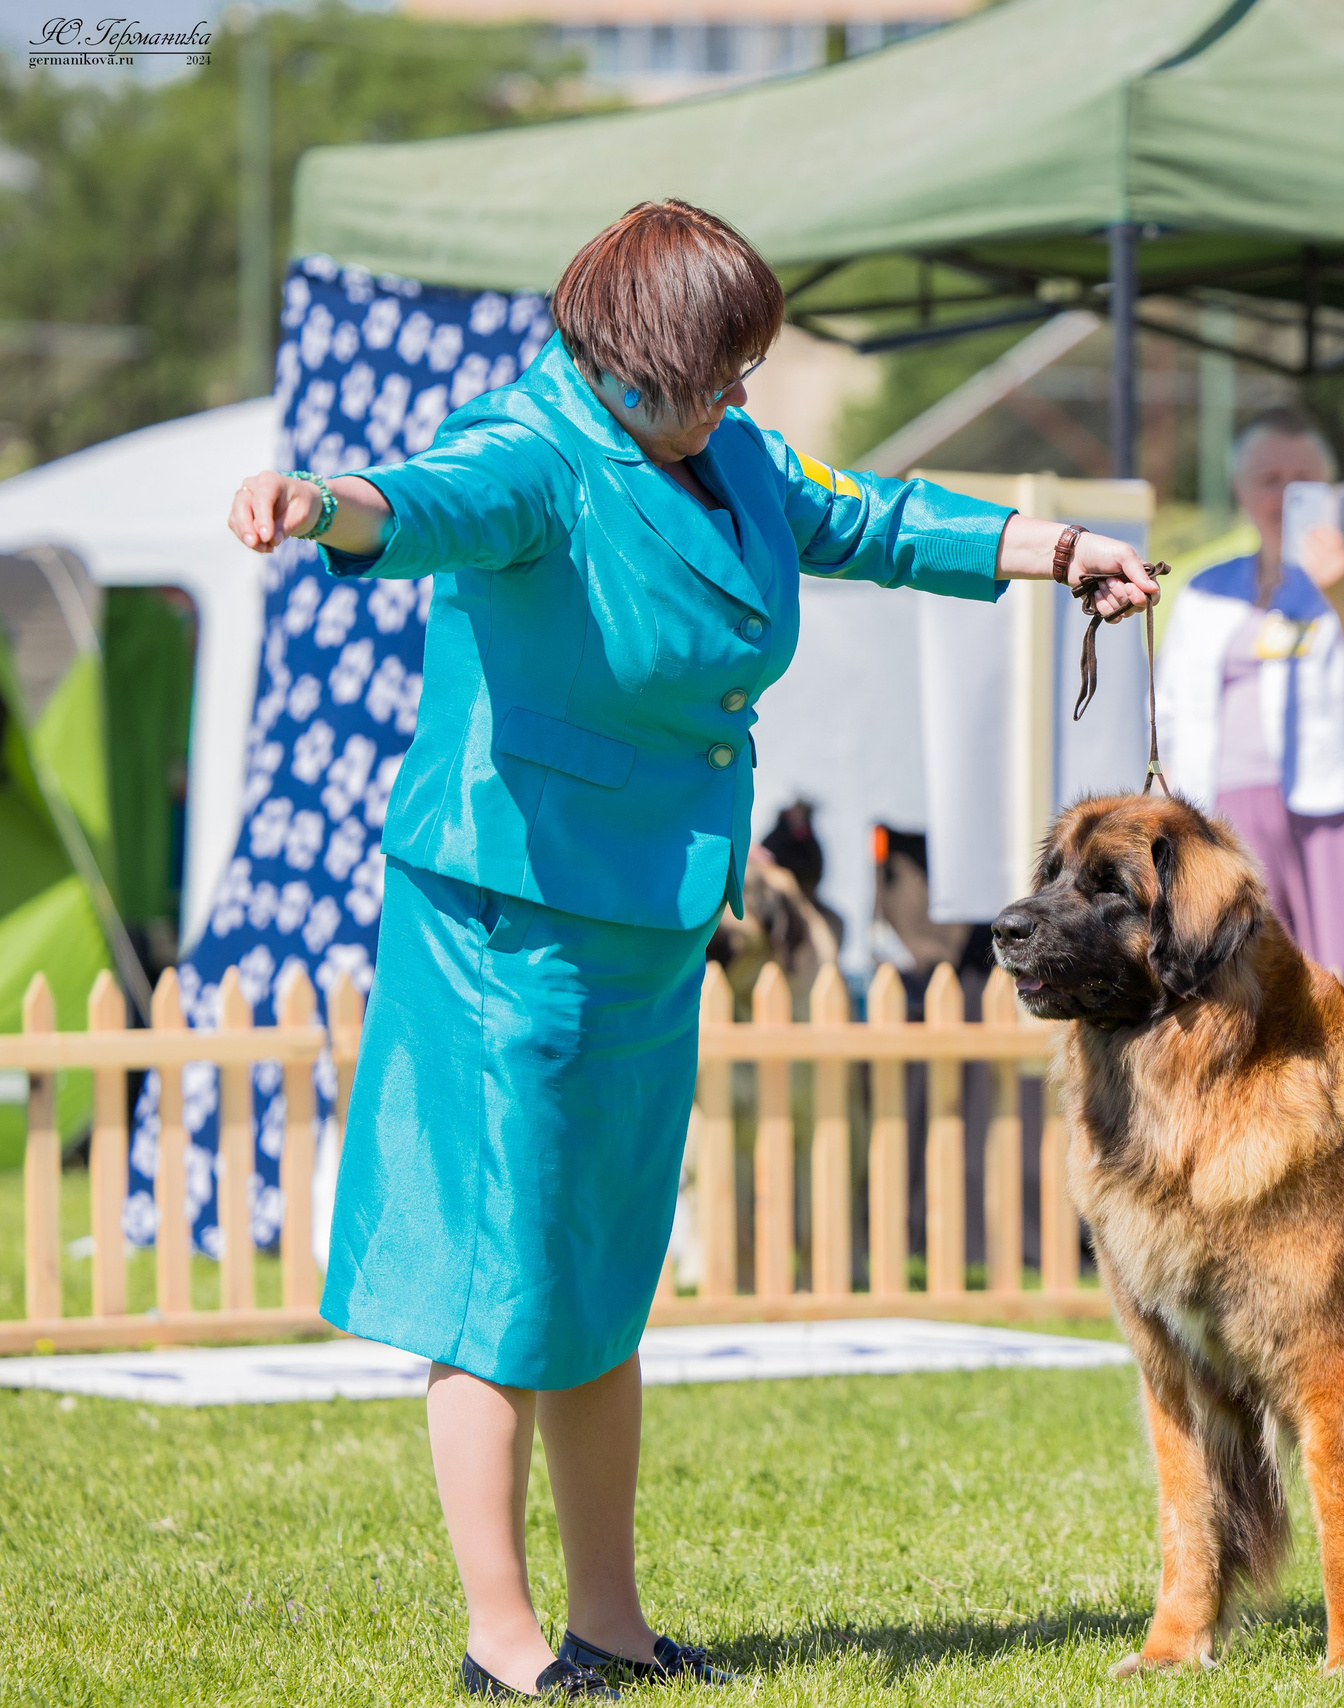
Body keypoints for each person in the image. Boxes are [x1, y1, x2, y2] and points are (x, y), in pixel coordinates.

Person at [225, 201, 1157, 1699]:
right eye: (718, 370)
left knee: (601, 1279)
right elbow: (420, 503)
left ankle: (612, 1623)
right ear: (628, 359)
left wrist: (1053, 550)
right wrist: (316, 501)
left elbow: (873, 519)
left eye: (747, 370)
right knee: (494, 1280)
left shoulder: (728, 455)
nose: (740, 397)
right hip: (503, 922)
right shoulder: (533, 446)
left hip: (650, 922)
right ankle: (504, 1643)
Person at [1158, 408, 1344, 989]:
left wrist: (1338, 590)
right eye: (1268, 480)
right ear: (1240, 491)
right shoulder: (1206, 588)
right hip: (1226, 812)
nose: (1284, 497)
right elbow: (1169, 712)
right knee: (1249, 985)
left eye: (1302, 481)